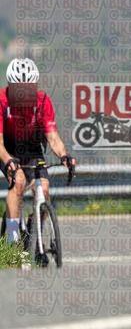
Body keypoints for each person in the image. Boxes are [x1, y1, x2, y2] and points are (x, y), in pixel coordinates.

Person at [0, 58, 76, 244]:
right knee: (18, 182)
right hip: (7, 148)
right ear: (10, 86)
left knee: (44, 189)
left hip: (32, 148)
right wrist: (9, 161)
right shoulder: (2, 101)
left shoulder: (42, 101)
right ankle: (11, 241)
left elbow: (52, 137)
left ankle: (35, 232)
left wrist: (64, 155)